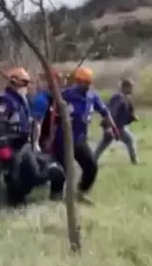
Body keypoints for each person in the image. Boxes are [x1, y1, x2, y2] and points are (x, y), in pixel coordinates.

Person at [33, 66, 119, 204]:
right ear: (78, 81)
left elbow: (104, 111)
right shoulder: (65, 96)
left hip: (80, 140)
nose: (89, 85)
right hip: (63, 140)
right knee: (62, 171)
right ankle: (55, 197)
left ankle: (81, 192)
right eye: (86, 82)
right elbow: (54, 119)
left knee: (91, 166)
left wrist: (113, 127)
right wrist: (50, 138)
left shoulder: (92, 96)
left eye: (90, 82)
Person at [0, 67, 64, 205]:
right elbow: (0, 126)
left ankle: (54, 173)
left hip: (24, 146)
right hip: (12, 148)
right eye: (24, 83)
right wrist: (3, 146)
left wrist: (34, 142)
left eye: (27, 83)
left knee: (35, 176)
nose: (26, 86)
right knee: (15, 188)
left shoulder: (21, 100)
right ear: (14, 82)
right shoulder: (5, 101)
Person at [93, 78, 139, 164]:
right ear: (125, 87)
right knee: (130, 140)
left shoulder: (124, 98)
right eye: (131, 87)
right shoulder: (119, 97)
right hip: (116, 127)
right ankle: (135, 161)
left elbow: (124, 112)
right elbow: (111, 112)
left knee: (103, 144)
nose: (132, 89)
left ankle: (92, 160)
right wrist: (110, 127)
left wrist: (132, 117)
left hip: (116, 126)